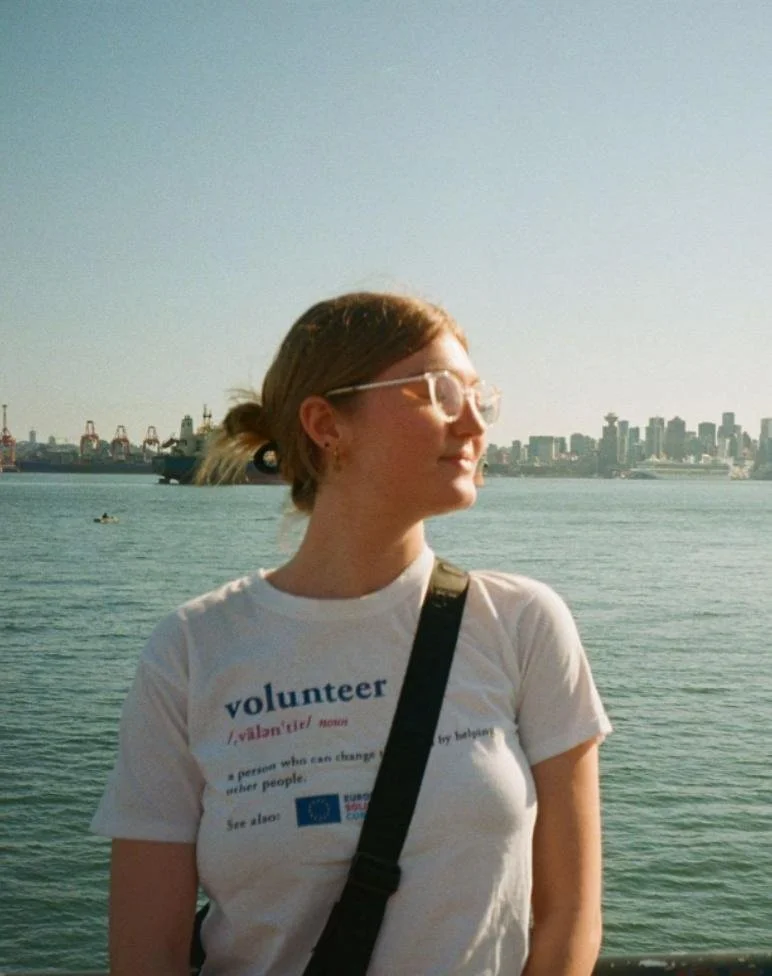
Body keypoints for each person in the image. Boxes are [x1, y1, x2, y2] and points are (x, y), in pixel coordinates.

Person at [92, 291, 612, 976]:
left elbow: (569, 916)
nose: (473, 423)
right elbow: (146, 953)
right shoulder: (191, 651)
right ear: (326, 424)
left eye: (480, 397)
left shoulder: (523, 626)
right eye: (439, 391)